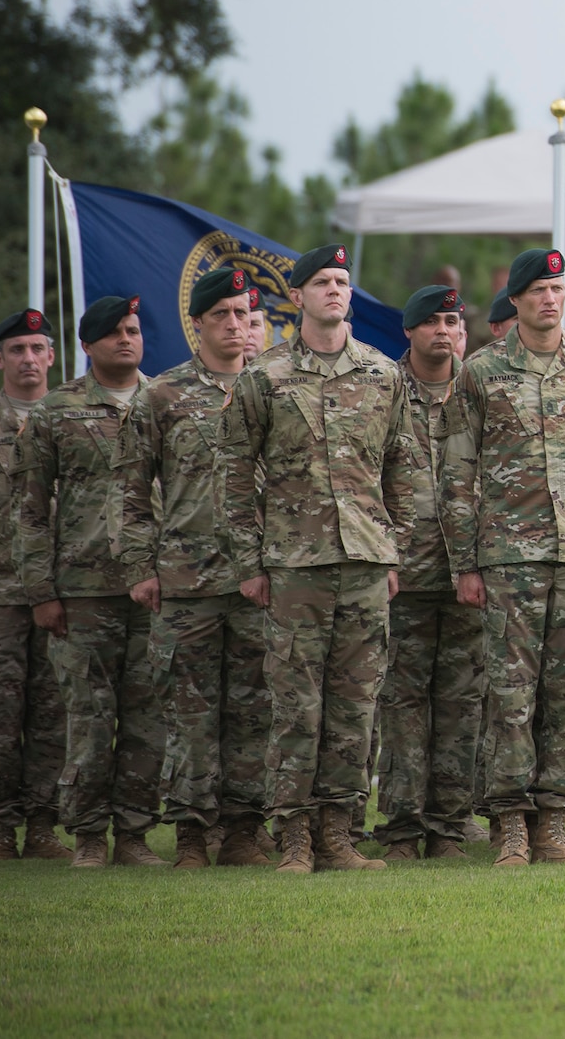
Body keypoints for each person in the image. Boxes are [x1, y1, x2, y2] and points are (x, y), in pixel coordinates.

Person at [221, 245, 415, 873]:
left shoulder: (383, 374)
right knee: (296, 705)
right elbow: (231, 475)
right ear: (297, 296)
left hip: (364, 562)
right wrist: (250, 564)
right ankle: (295, 837)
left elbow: (404, 469)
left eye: (343, 281)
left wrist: (394, 551)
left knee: (356, 708)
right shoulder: (265, 376)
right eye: (323, 282)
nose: (335, 290)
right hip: (295, 565)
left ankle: (338, 832)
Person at [439, 248, 565, 866]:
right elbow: (458, 471)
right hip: (507, 554)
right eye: (539, 289)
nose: (551, 297)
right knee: (510, 692)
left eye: (557, 287)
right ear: (515, 300)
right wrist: (465, 563)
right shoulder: (481, 372)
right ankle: (510, 824)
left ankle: (553, 821)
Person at [118, 270, 273, 867]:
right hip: (186, 581)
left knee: (256, 712)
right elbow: (129, 489)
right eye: (222, 315)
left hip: (259, 579)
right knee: (188, 714)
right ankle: (190, 835)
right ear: (198, 324)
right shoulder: (161, 395)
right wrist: (140, 565)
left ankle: (241, 833)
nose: (235, 325)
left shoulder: (273, 388)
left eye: (243, 313)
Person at [18, 297, 162, 867]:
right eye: (113, 333)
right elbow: (29, 510)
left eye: (133, 329)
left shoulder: (166, 401)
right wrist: (41, 592)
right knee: (88, 717)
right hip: (82, 589)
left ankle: (132, 836)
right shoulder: (56, 412)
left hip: (152, 587)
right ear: (86, 345)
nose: (126, 339)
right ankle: (85, 837)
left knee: (148, 721)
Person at [368, 286, 487, 861]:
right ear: (410, 331)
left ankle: (450, 825)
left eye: (452, 320)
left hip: (474, 573)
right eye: (433, 321)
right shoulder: (381, 388)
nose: (445, 329)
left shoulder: (482, 385)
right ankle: (401, 825)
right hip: (405, 571)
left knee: (464, 702)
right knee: (402, 700)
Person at [0, 309, 69, 860]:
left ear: (51, 356)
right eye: (16, 349)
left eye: (36, 348)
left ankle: (42, 825)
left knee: (52, 712)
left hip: (61, 590)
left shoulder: (70, 418)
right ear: (0, 359)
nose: (27, 358)